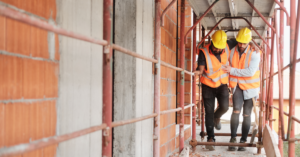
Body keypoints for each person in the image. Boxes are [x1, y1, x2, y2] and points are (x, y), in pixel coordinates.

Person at [194, 30, 237, 151]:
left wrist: (251, 45)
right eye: (216, 47)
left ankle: (216, 117)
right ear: (212, 42)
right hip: (208, 85)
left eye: (220, 48)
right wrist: (197, 72)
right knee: (208, 112)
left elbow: (241, 42)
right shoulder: (204, 52)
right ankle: (210, 139)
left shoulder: (227, 44)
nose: (218, 50)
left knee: (225, 107)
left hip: (222, 84)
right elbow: (201, 69)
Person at [222, 27, 261, 151]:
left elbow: (250, 72)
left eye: (245, 43)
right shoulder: (232, 49)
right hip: (237, 85)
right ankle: (233, 139)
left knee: (246, 114)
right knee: (236, 111)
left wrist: (232, 70)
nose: (242, 45)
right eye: (240, 42)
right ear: (237, 40)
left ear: (249, 41)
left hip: (251, 87)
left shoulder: (255, 53)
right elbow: (223, 44)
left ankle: (243, 140)